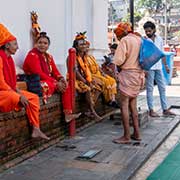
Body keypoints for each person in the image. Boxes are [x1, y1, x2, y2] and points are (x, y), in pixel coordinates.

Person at [0, 23, 49, 140]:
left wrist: (19, 92)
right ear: (7, 45)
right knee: (13, 97)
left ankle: (36, 128)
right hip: (3, 92)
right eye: (15, 44)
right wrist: (18, 95)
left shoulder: (9, 60)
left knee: (33, 98)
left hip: (9, 90)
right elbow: (1, 83)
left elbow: (12, 84)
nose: (17, 47)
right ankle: (16, 100)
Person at [23, 32, 81, 123]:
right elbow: (38, 73)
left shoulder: (49, 56)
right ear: (36, 44)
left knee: (66, 85)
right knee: (54, 85)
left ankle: (68, 114)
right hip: (35, 81)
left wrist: (61, 79)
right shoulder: (32, 55)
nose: (42, 45)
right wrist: (56, 82)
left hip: (48, 81)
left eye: (45, 43)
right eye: (40, 42)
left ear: (48, 46)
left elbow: (55, 71)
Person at [113, 22, 145, 144]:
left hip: (128, 75)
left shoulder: (125, 41)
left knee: (124, 106)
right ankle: (137, 133)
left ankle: (126, 136)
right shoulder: (139, 39)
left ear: (121, 34)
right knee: (133, 106)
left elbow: (119, 60)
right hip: (138, 76)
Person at [143, 21, 175, 117]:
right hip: (149, 67)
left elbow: (162, 53)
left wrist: (166, 66)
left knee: (162, 88)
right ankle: (151, 110)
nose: (148, 33)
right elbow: (142, 56)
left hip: (159, 67)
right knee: (150, 89)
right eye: (146, 31)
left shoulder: (159, 39)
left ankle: (165, 109)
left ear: (154, 30)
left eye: (149, 31)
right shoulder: (144, 41)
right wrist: (144, 69)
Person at [72, 32, 102, 120]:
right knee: (88, 88)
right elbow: (75, 71)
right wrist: (85, 81)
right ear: (76, 47)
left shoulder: (85, 57)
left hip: (84, 78)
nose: (84, 46)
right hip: (75, 79)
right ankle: (92, 111)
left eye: (85, 44)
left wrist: (89, 80)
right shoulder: (73, 56)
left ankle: (88, 109)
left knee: (98, 87)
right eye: (81, 44)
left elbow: (86, 71)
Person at [85, 41, 119, 108]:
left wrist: (102, 73)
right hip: (91, 75)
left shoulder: (91, 57)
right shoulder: (83, 58)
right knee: (105, 82)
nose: (87, 49)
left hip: (98, 73)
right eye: (86, 48)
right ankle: (108, 100)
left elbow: (97, 66)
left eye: (88, 48)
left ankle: (113, 100)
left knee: (112, 80)